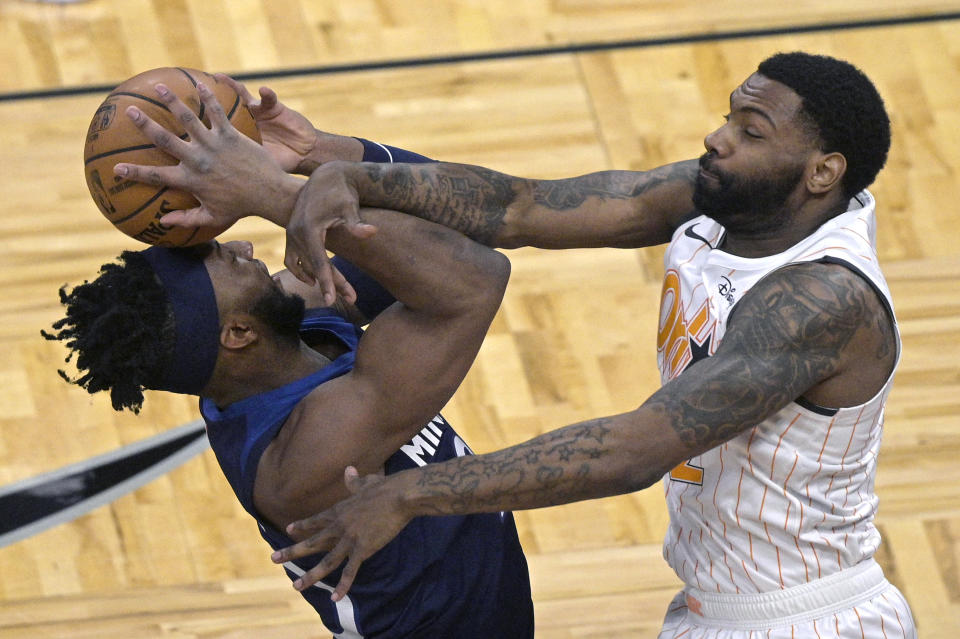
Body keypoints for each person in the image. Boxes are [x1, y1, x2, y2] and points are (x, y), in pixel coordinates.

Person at [116, 52, 916, 637]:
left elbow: (630, 449)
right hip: (718, 602)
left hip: (812, 616)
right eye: (728, 115)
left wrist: (409, 492)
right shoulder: (717, 199)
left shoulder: (820, 300)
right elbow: (523, 208)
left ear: (821, 172)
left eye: (750, 129)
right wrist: (339, 162)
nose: (716, 138)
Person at [44, 80, 535, 638]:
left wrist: (318, 154)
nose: (247, 248)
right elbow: (475, 277)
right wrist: (278, 196)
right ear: (236, 333)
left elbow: (462, 218)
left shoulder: (281, 320)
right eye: (229, 261)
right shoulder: (303, 459)